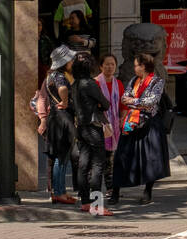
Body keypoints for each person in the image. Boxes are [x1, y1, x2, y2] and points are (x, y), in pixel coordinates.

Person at [112, 52, 169, 205]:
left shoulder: (157, 81)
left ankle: (147, 191)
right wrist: (137, 102)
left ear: (143, 66)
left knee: (150, 158)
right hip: (132, 121)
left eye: (136, 65)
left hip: (149, 123)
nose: (134, 67)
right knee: (121, 156)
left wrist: (133, 101)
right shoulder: (134, 80)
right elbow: (124, 97)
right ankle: (115, 191)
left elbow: (152, 101)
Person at [71, 52, 113, 215]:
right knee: (97, 165)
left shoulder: (75, 84)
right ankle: (97, 204)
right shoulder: (90, 83)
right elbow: (106, 103)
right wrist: (99, 105)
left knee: (83, 164)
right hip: (93, 127)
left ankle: (85, 202)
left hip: (81, 127)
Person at [43, 44, 78, 204]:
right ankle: (59, 192)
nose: (72, 61)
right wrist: (64, 101)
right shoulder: (59, 76)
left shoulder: (50, 76)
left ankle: (59, 191)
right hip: (63, 118)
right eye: (70, 59)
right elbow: (63, 89)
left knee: (59, 156)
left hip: (55, 119)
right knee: (62, 157)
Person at [96, 53, 122, 198]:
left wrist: (121, 120)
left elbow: (122, 105)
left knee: (111, 159)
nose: (110, 67)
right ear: (101, 66)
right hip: (101, 125)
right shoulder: (96, 83)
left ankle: (111, 188)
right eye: (107, 64)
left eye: (112, 64)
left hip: (115, 126)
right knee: (101, 159)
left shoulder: (118, 84)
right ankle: (96, 189)